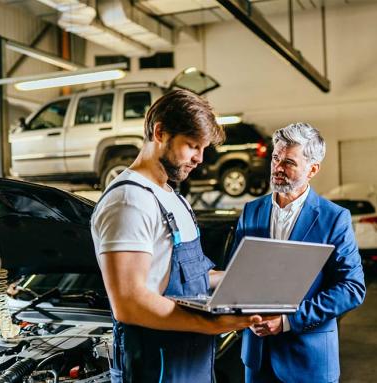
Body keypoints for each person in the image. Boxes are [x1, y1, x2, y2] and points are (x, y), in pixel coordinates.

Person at [91, 90, 275, 383]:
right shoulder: (128, 200)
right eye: (192, 146)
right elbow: (129, 302)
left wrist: (253, 279)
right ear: (160, 132)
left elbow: (197, 276)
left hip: (193, 358)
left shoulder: (174, 198)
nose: (199, 159)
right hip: (158, 363)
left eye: (202, 148)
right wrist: (212, 324)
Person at [233, 122, 366, 383]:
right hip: (257, 359)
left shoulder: (334, 218)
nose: (277, 168)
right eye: (275, 158)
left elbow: (352, 288)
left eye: (289, 163)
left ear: (313, 169)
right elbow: (237, 276)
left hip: (309, 361)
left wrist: (287, 321)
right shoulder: (251, 211)